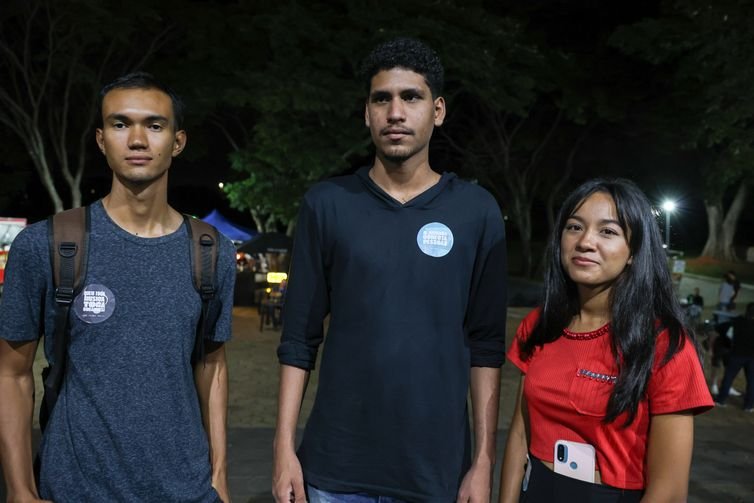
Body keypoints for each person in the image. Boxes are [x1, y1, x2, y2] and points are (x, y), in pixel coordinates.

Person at [273, 37, 507, 502]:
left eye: (411, 97)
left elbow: (486, 346)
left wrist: (482, 463)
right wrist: (283, 448)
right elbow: (299, 338)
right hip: (335, 472)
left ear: (437, 111)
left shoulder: (476, 211)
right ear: (367, 113)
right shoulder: (327, 204)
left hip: (437, 473)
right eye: (382, 99)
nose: (395, 112)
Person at [0, 72, 235, 502]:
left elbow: (213, 365)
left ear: (177, 142)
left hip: (187, 490)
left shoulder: (210, 252)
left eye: (155, 125)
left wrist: (219, 476)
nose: (138, 139)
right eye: (121, 124)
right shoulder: (45, 245)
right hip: (75, 489)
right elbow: (11, 373)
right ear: (101, 139)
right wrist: (18, 489)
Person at [499, 178, 713, 502]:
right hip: (537, 489)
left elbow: (668, 491)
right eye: (574, 227)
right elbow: (518, 435)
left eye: (608, 231)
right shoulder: (541, 324)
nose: (585, 241)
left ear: (633, 251)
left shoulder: (665, 346)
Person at [713, 303, 754, 412]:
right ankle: (749, 405)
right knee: (751, 381)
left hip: (737, 354)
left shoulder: (737, 321)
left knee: (728, 377)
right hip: (752, 356)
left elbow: (721, 329)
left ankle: (721, 400)